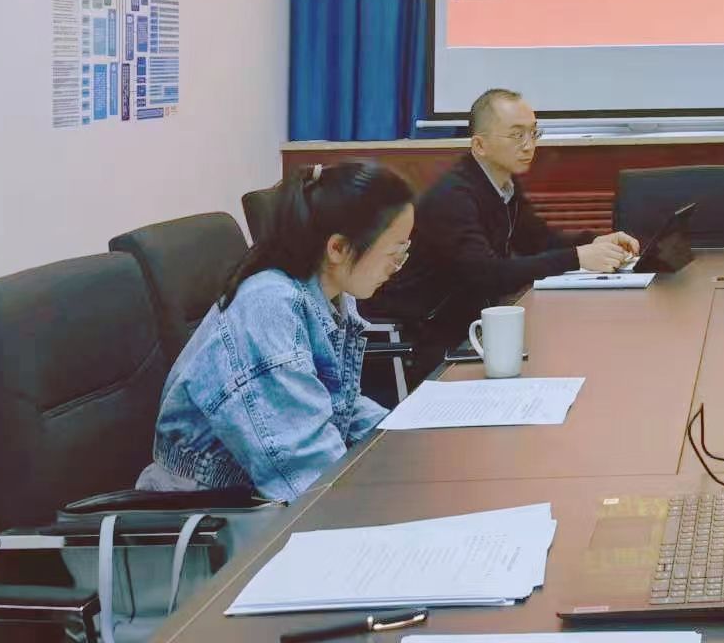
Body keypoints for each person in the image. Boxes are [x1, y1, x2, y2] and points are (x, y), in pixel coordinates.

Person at [140, 162, 416, 501]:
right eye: (394, 253)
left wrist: (409, 438)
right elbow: (307, 474)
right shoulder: (268, 310)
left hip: (265, 491)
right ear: (338, 248)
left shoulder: (328, 291)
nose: (396, 267)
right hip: (210, 508)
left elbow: (339, 407)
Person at [369, 88, 638, 336]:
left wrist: (595, 242)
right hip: (425, 331)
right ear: (479, 145)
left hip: (468, 320)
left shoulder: (503, 184)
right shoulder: (453, 197)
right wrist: (577, 257)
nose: (529, 145)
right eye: (517, 135)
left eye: (533, 133)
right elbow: (489, 276)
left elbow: (538, 241)